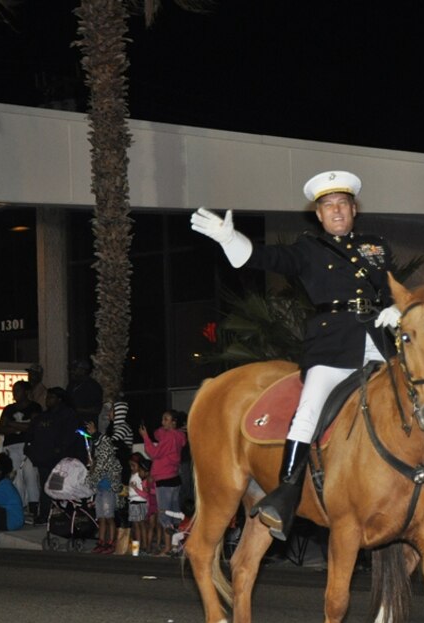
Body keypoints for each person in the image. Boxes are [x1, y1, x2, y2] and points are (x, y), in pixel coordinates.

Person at [190, 170, 400, 541]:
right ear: (319, 215)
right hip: (333, 346)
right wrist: (230, 238)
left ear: (354, 209)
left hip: (379, 341)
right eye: (328, 206)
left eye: (342, 204)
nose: (336, 211)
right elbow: (264, 257)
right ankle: (286, 492)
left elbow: (394, 288)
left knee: (420, 399)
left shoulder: (377, 246)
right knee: (307, 411)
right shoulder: (308, 250)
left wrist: (400, 309)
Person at [26, 387, 85, 524]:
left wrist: (59, 450)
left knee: (61, 488)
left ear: (59, 399)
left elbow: (71, 437)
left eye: (51, 397)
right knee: (46, 487)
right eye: (47, 397)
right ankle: (45, 515)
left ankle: (65, 516)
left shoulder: (68, 415)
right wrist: (31, 451)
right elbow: (32, 434)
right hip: (43, 459)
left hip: (61, 461)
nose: (48, 400)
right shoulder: (43, 416)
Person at [140, 409, 187, 555]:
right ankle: (177, 545)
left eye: (166, 419)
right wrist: (164, 429)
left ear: (174, 422)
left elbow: (153, 453)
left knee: (164, 515)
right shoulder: (178, 435)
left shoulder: (170, 437)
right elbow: (158, 433)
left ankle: (168, 547)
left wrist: (145, 437)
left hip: (165, 480)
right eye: (162, 419)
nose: (162, 422)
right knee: (174, 514)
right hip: (174, 478)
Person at [0, 379, 42, 507]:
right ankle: (18, 505)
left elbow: (33, 426)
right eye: (13, 390)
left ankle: (34, 505)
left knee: (30, 474)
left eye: (18, 390)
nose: (14, 393)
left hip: (28, 445)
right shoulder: (9, 408)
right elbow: (1, 428)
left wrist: (11, 423)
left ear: (26, 392)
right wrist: (22, 426)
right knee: (15, 476)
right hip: (11, 446)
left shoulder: (35, 407)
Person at [87, 414, 124, 554]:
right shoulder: (98, 454)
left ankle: (111, 543)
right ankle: (101, 542)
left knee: (109, 518)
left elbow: (105, 443)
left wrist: (95, 433)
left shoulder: (109, 453)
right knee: (101, 518)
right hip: (100, 490)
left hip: (108, 489)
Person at [66, 359, 103, 427]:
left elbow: (97, 409)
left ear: (83, 370)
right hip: (72, 424)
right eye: (70, 369)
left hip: (87, 425)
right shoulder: (71, 385)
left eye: (74, 369)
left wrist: (79, 410)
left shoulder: (92, 386)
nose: (71, 372)